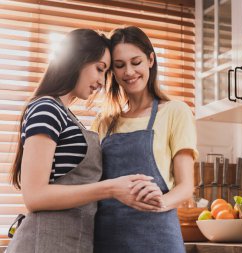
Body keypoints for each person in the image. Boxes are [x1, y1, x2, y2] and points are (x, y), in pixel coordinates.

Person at [6, 28, 162, 253]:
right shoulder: (46, 109)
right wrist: (110, 189)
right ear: (77, 60)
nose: (101, 81)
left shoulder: (67, 116)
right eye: (99, 69)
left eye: (106, 72)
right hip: (43, 244)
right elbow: (34, 196)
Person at [92, 26, 198, 253]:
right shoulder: (104, 122)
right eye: (120, 66)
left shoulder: (175, 111)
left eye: (136, 62)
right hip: (107, 239)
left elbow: (186, 186)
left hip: (157, 237)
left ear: (150, 60)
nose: (129, 72)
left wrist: (161, 203)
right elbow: (92, 183)